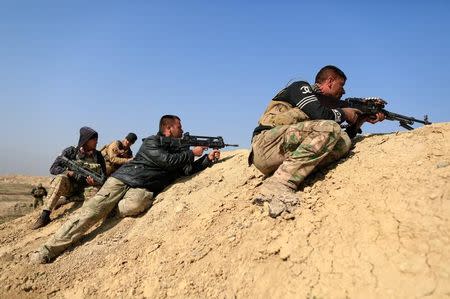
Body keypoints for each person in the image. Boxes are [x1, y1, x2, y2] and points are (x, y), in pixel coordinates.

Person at [30, 115, 220, 263]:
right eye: (180, 126)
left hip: (141, 188)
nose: (183, 129)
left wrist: (206, 160)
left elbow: (185, 170)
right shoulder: (152, 142)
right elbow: (167, 161)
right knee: (90, 213)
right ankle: (47, 250)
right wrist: (190, 153)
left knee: (139, 202)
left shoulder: (179, 151)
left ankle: (110, 208)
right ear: (168, 128)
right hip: (122, 180)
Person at [249, 65, 384, 218]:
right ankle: (278, 185)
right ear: (330, 81)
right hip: (265, 145)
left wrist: (359, 122)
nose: (344, 91)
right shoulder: (300, 87)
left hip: (280, 156)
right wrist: (344, 113)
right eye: (342, 85)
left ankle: (285, 175)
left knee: (343, 141)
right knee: (330, 128)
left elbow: (327, 139)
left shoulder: (324, 111)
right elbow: (319, 113)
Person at [32, 127, 106, 229]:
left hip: (86, 188)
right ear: (86, 140)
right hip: (70, 186)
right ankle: (45, 215)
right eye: (94, 140)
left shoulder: (98, 156)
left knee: (96, 195)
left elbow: (103, 176)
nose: (97, 142)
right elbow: (53, 168)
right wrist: (69, 173)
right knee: (60, 179)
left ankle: (67, 200)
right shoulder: (71, 152)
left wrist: (93, 182)